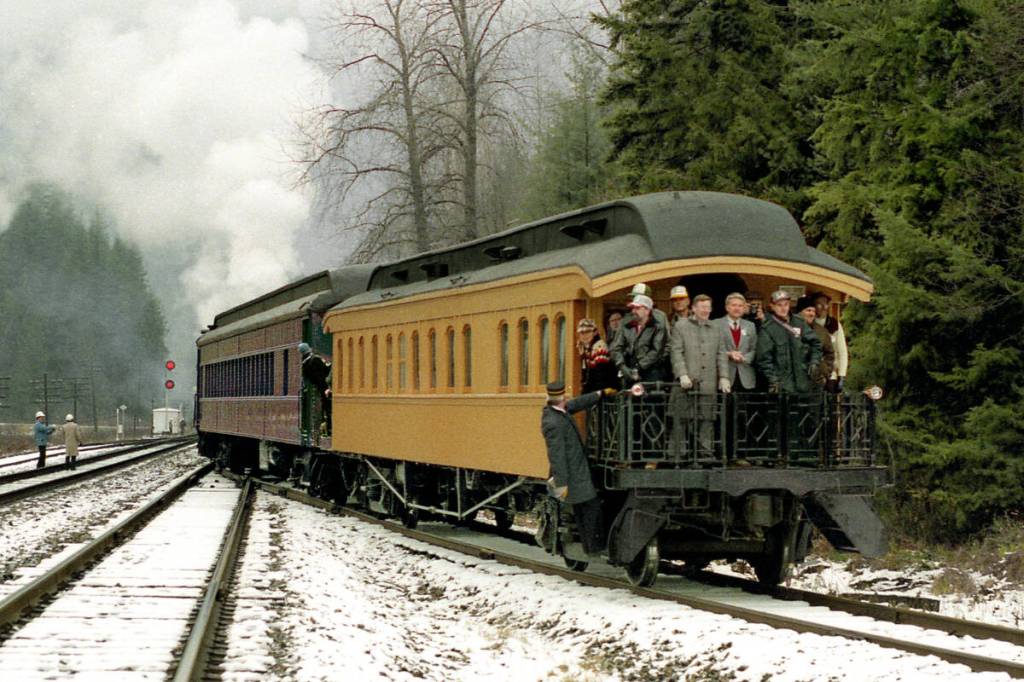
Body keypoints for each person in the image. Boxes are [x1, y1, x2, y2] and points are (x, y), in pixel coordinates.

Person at [541, 381, 615, 555]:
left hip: (577, 471)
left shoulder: (559, 411)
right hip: (572, 475)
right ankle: (594, 548)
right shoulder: (554, 422)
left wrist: (600, 393)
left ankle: (591, 547)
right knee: (591, 507)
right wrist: (562, 483)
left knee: (585, 507)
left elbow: (578, 403)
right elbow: (556, 456)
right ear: (562, 397)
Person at [669, 294, 724, 455]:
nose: (706, 310)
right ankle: (677, 455)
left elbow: (721, 354)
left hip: (708, 382)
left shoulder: (716, 328)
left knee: (707, 420)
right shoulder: (681, 326)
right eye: (702, 307)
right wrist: (682, 374)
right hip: (686, 382)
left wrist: (724, 377)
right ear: (693, 308)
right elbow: (676, 352)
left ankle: (705, 454)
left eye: (708, 307)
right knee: (681, 419)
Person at [755, 290, 823, 394]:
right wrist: (773, 379)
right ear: (772, 306)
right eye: (779, 305)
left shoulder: (799, 322)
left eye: (786, 304)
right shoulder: (767, 328)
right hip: (782, 384)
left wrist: (814, 363)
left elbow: (816, 343)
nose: (783, 308)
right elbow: (764, 358)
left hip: (803, 381)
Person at [609, 291, 669, 386]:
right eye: (633, 308)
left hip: (652, 373)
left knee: (652, 399)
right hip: (628, 372)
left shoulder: (658, 327)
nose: (633, 311)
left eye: (637, 308)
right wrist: (622, 366)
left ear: (647, 310)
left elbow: (656, 351)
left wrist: (638, 367)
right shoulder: (626, 326)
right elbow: (616, 348)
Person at [811, 292, 848, 392]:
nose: (823, 307)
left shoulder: (834, 324)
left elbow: (842, 352)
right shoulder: (809, 324)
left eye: (825, 304)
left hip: (831, 375)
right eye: (819, 304)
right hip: (813, 374)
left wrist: (842, 375)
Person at [797, 296, 835, 388]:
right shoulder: (790, 328)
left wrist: (825, 372)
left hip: (816, 381)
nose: (812, 314)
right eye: (808, 310)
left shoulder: (822, 331)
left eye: (813, 311)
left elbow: (830, 353)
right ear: (800, 312)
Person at [298, 342, 332, 435]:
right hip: (324, 386)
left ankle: (325, 427)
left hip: (317, 386)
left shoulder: (304, 363)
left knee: (324, 406)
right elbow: (326, 370)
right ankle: (329, 427)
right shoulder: (316, 359)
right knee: (327, 406)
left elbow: (306, 378)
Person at [576, 318, 618, 393]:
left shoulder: (599, 346)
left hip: (603, 389)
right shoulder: (587, 348)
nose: (584, 335)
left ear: (595, 332)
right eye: (582, 333)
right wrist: (583, 356)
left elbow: (601, 374)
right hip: (595, 389)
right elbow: (585, 374)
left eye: (588, 332)